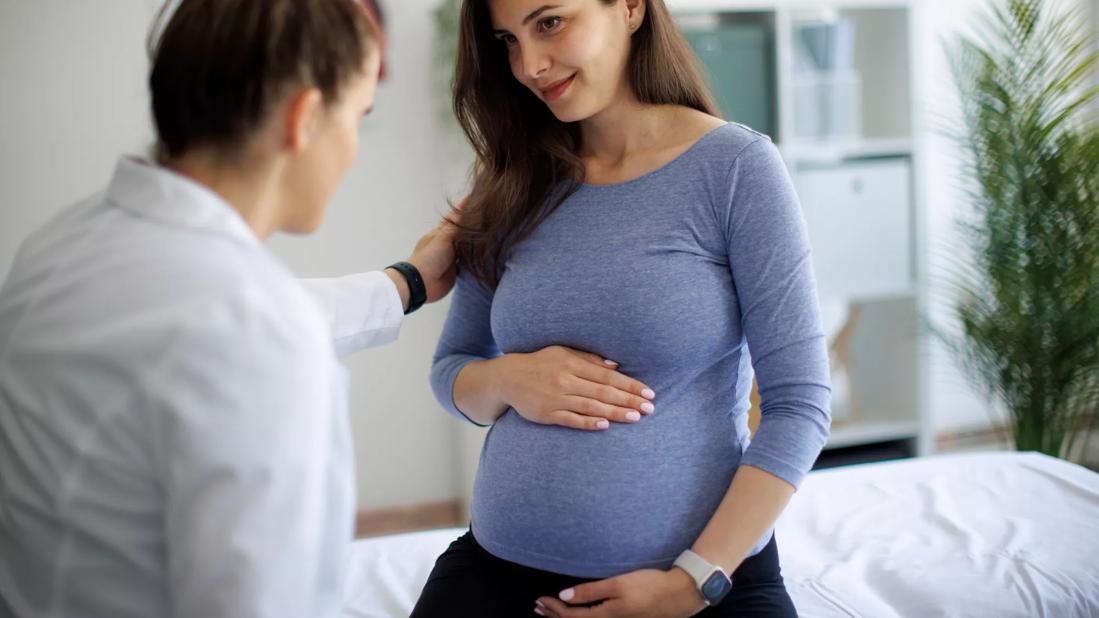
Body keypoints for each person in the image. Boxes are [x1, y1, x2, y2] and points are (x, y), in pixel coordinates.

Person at [0, 0, 453, 616]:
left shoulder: (60, 244)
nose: (351, 147)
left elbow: (204, 324)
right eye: (357, 116)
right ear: (306, 119)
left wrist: (408, 283)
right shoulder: (256, 336)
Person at [413, 0, 831, 616]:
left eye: (550, 22)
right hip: (498, 572)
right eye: (507, 40)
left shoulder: (735, 169)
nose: (529, 65)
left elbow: (800, 405)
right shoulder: (510, 180)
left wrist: (693, 582)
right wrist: (509, 379)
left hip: (696, 581)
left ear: (632, 7)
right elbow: (453, 370)